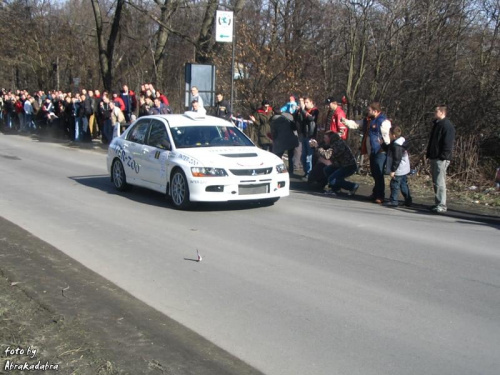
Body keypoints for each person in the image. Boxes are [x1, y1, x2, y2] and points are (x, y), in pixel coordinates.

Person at [310, 131, 359, 196]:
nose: (324, 140)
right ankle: (335, 189)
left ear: (330, 138)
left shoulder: (339, 144)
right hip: (340, 165)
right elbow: (323, 149)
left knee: (332, 179)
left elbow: (327, 155)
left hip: (349, 166)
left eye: (325, 138)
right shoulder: (333, 143)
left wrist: (317, 147)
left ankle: (352, 186)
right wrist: (315, 146)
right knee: (327, 170)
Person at [426, 105, 456, 213]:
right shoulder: (437, 124)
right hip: (435, 156)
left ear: (442, 112)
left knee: (440, 181)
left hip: (441, 158)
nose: (434, 113)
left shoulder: (447, 126)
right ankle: (437, 202)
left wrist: (443, 156)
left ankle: (442, 205)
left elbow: (448, 143)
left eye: (436, 111)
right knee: (436, 181)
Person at [384, 126, 412, 207]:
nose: (388, 135)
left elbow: (397, 159)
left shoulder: (397, 145)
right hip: (404, 168)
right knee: (403, 184)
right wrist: (382, 144)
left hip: (399, 168)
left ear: (393, 135)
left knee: (394, 184)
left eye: (389, 134)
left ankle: (394, 200)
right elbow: (389, 149)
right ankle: (408, 200)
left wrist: (393, 170)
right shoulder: (399, 142)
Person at [295, 97, 319, 181]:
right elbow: (298, 120)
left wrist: (303, 110)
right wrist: (298, 111)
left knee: (309, 156)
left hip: (311, 135)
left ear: (311, 103)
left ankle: (309, 173)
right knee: (303, 156)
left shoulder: (315, 111)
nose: (305, 104)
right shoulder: (303, 111)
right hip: (304, 135)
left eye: (307, 102)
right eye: (304, 102)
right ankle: (306, 172)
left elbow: (311, 118)